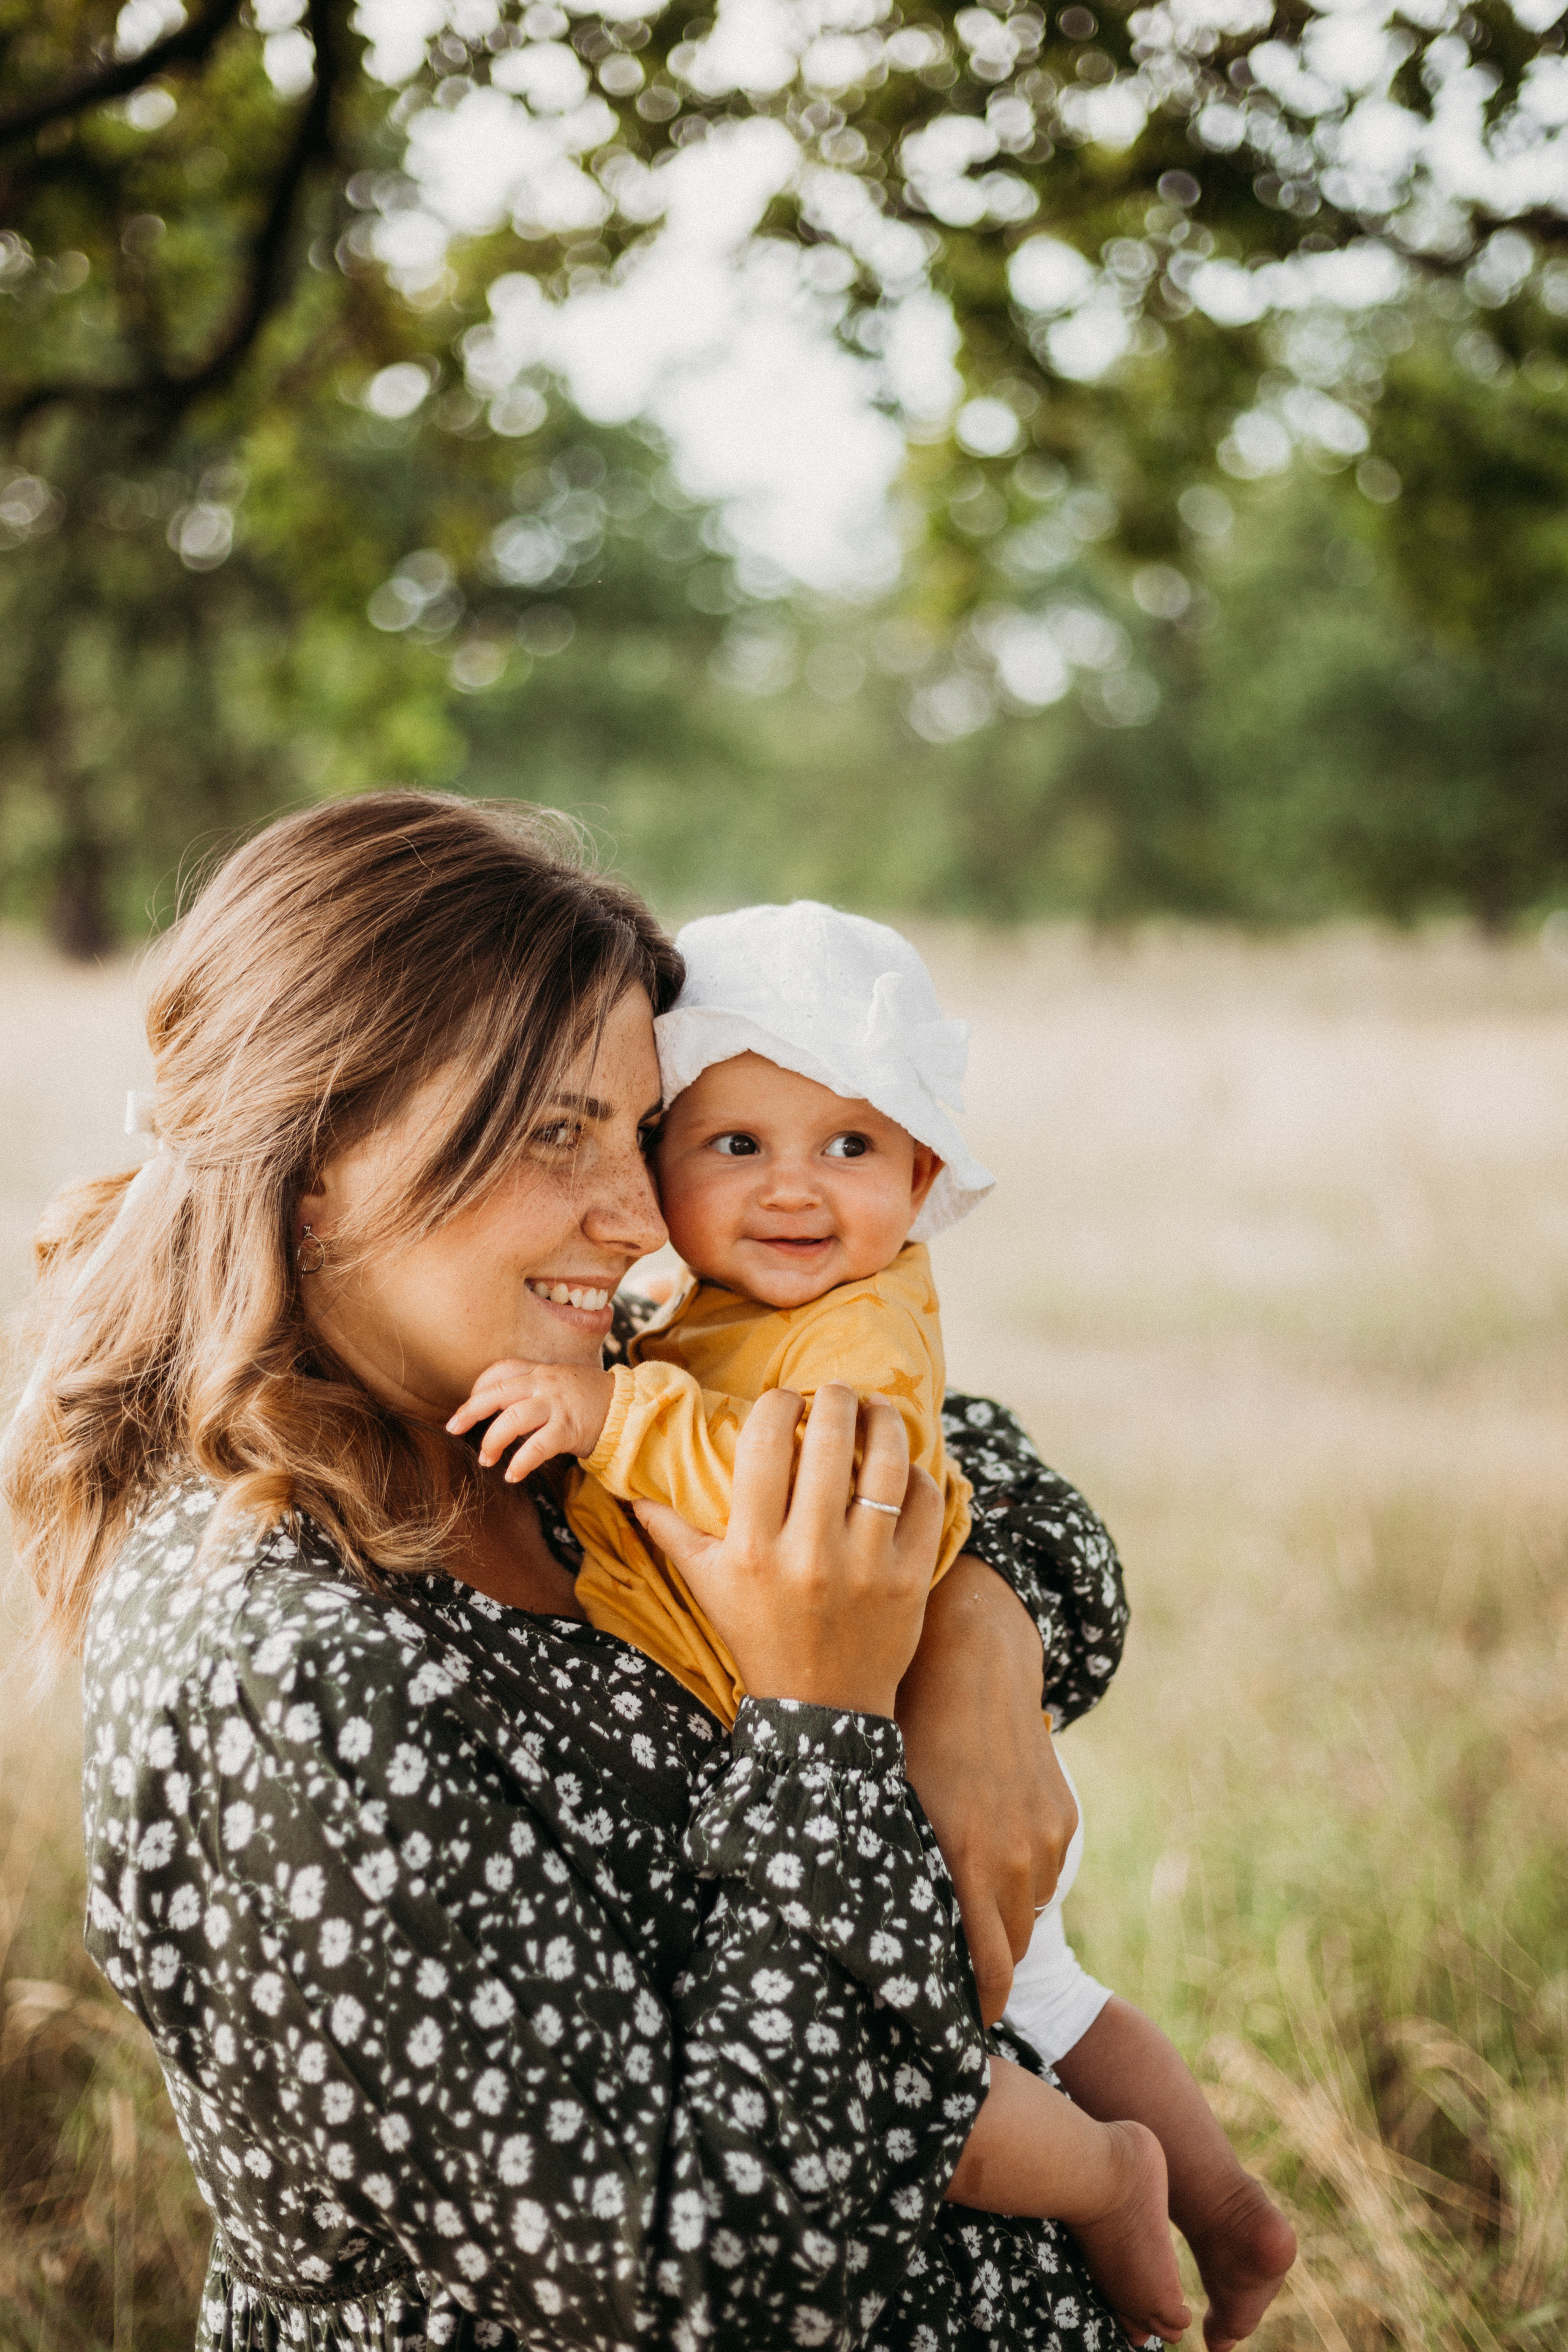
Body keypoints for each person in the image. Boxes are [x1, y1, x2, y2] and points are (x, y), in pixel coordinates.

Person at [3, 791, 1155, 2351]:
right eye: (555, 1132)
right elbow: (676, 2283)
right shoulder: (277, 1664)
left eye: (638, 1128)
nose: (636, 1219)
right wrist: (825, 1716)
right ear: (316, 1155)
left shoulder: (545, 1403)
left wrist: (968, 1644)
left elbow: (1018, 1498)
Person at [450, 899, 1296, 2346]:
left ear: (920, 1173)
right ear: (661, 1164)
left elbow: (818, 1490)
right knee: (1052, 2003)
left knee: (916, 2088)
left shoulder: (853, 1328)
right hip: (867, 1740)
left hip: (895, 1764)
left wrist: (608, 1414)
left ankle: (1110, 2179)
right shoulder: (705, 1306)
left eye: (850, 1145)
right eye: (735, 1144)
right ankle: (1230, 2209)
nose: (794, 1189)